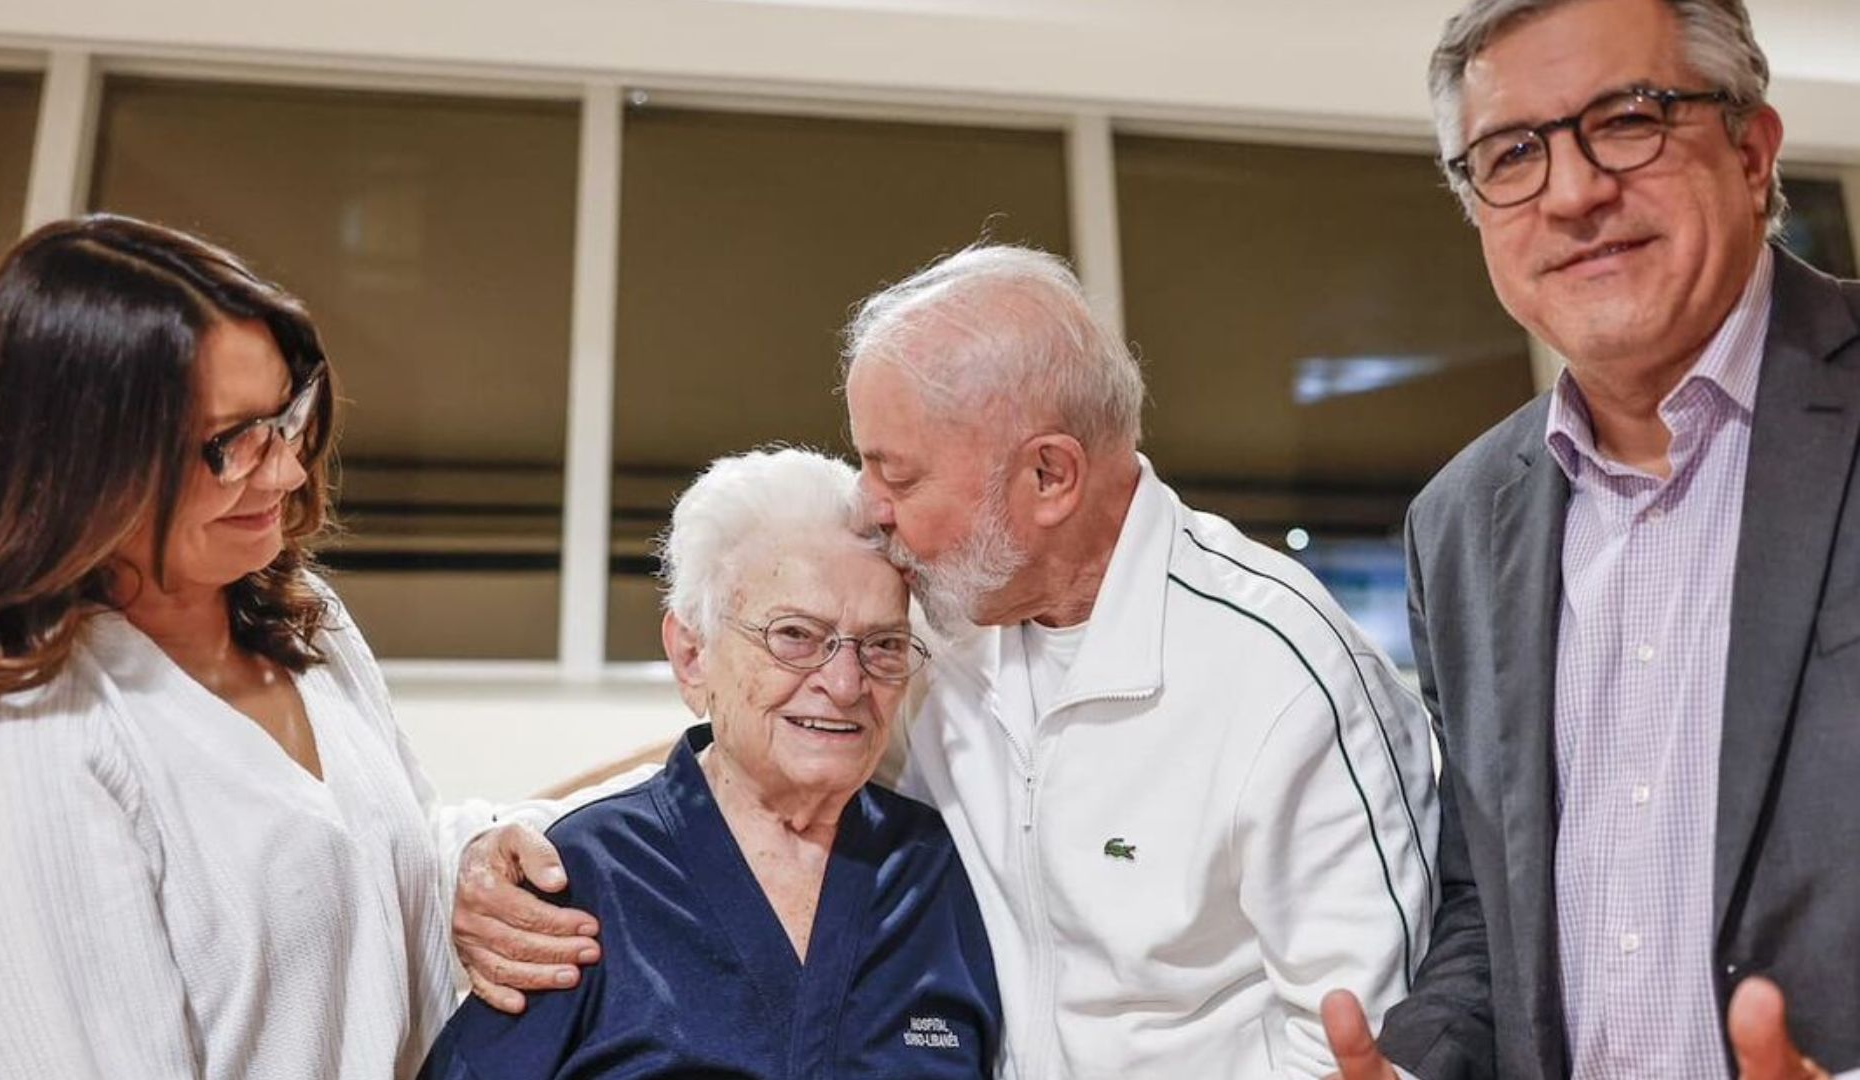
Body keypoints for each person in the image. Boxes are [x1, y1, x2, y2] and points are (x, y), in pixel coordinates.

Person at [452, 246, 1441, 1078]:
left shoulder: (1278, 677)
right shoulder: (949, 616)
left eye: (896, 470)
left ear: (1047, 475)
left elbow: (1365, 1039)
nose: (869, 505)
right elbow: (759, 755)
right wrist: (522, 847)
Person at [1319, 1, 1860, 1078]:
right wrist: (1419, 1064)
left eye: (1630, 119)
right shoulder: (1460, 523)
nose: (1572, 193)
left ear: (1752, 151)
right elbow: (1490, 911)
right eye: (1512, 152)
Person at [0, 215, 499, 1078]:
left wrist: (476, 859)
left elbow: (383, 858)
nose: (281, 472)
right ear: (79, 462)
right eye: (227, 445)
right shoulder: (21, 732)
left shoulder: (302, 616)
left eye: (287, 417)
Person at [419, 447, 1002, 1079]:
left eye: (883, 645)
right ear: (692, 656)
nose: (843, 682)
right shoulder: (588, 874)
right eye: (796, 636)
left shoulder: (944, 875)